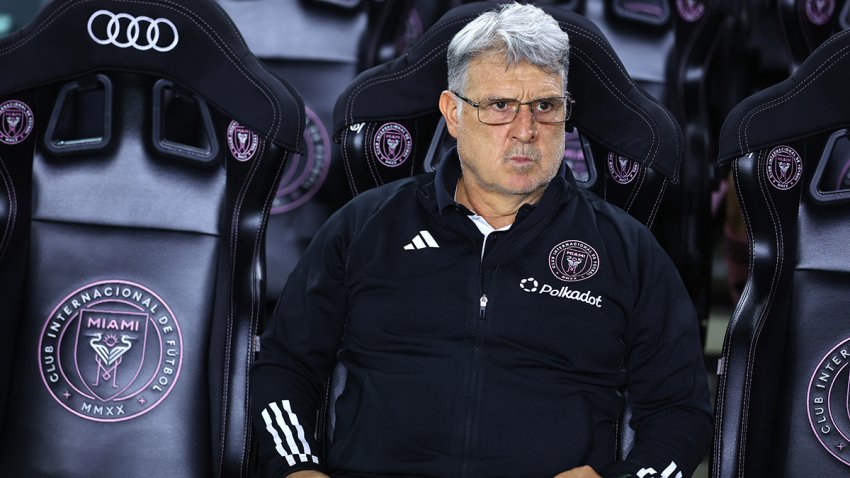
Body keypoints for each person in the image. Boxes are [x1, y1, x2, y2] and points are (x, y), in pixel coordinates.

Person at [250, 3, 712, 478]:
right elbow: (286, 366)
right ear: (453, 113)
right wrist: (295, 469)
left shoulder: (627, 250)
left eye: (546, 106)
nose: (526, 130)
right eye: (499, 106)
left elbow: (683, 412)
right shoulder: (365, 227)